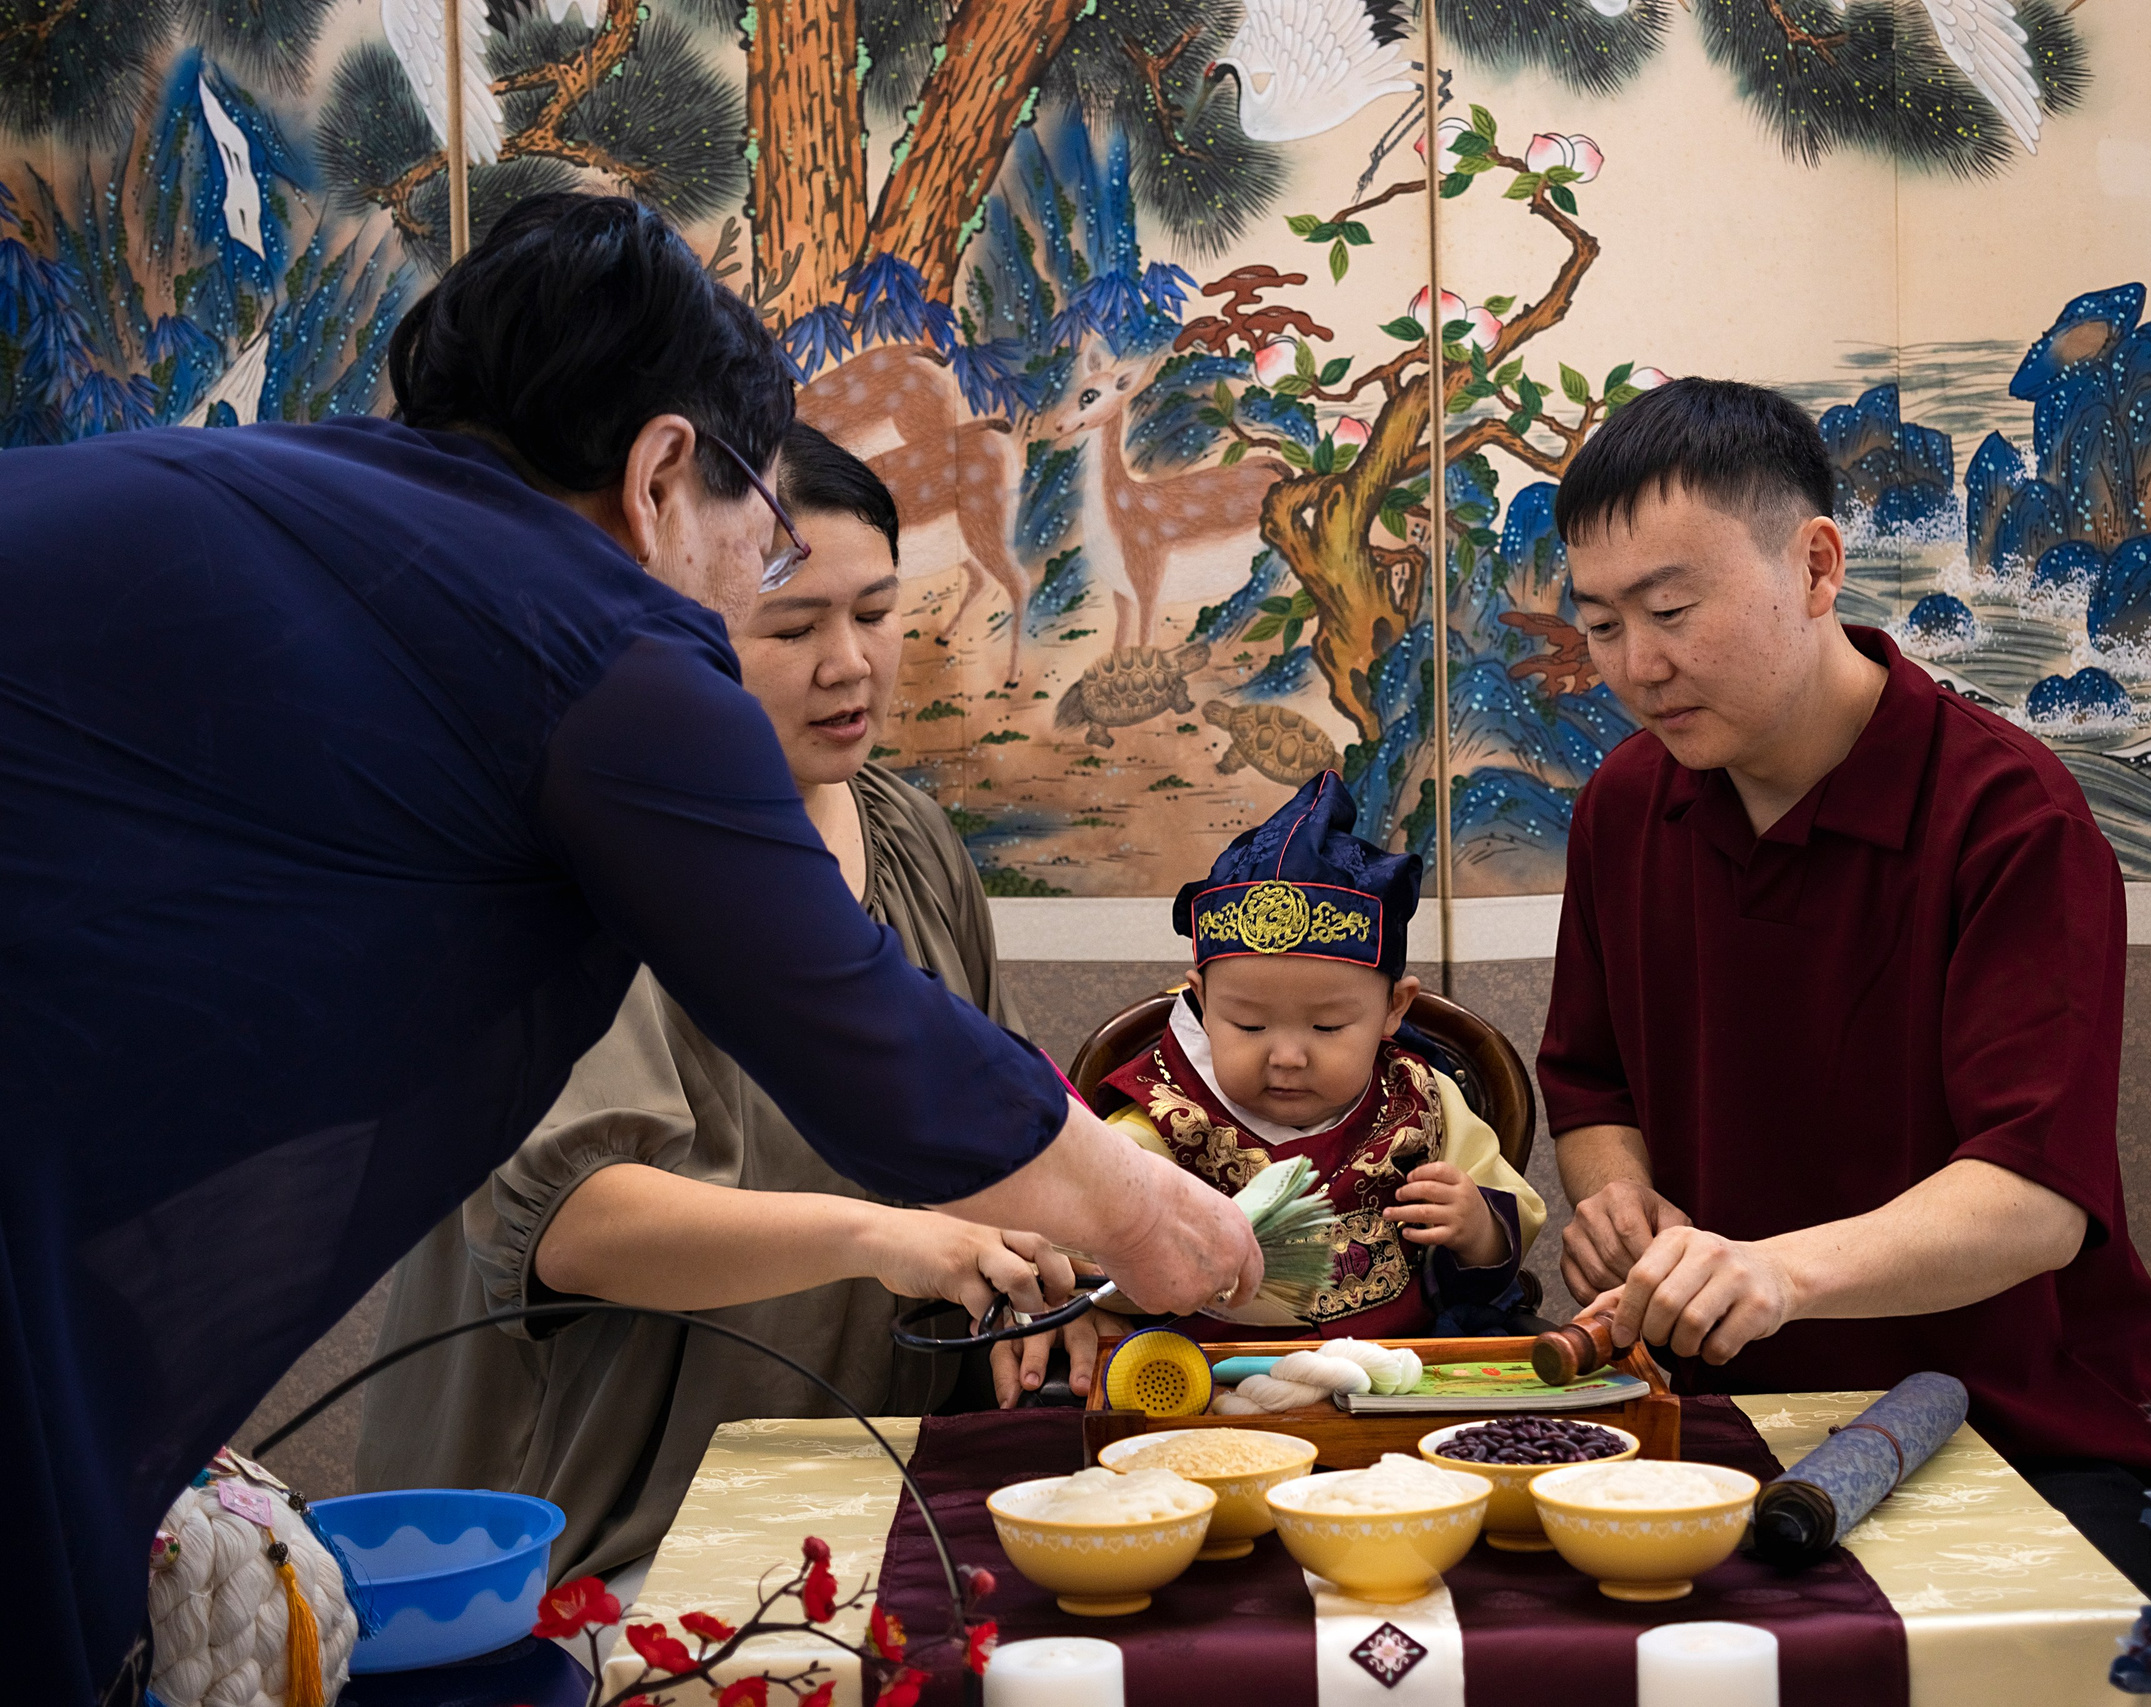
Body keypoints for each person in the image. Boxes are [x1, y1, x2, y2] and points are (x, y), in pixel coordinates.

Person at [0, 193, 1257, 1704]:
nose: (808, 639)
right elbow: (872, 1048)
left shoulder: (316, 502)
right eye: (768, 546)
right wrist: (1166, 1220)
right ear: (664, 471)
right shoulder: (598, 639)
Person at [353, 425, 1095, 1586]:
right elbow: (580, 1224)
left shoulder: (908, 836)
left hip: (870, 1482)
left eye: (876, 612)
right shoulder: (589, 864)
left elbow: (983, 1125)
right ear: (684, 624)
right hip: (618, 1522)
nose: (848, 663)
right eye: (793, 628)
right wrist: (881, 1239)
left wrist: (1057, 1255)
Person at [1535, 377, 2151, 1591]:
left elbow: (2032, 1198)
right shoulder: (1627, 804)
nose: (1638, 665)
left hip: (2011, 1432)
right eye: (1603, 623)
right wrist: (1619, 1200)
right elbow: (1590, 1080)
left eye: (1671, 609)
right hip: (1717, 1422)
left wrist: (1776, 1272)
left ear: (1818, 567)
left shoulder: (2008, 819)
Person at [1092, 772, 1545, 1345]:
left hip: (1398, 1371)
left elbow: (1511, 1218)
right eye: (1249, 1024)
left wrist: (1478, 1227)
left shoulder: (1421, 1100)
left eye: (1328, 1026)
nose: (1286, 1057)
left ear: (1393, 1009)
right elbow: (1083, 1244)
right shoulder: (1160, 1114)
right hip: (1204, 1376)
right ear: (1201, 1002)